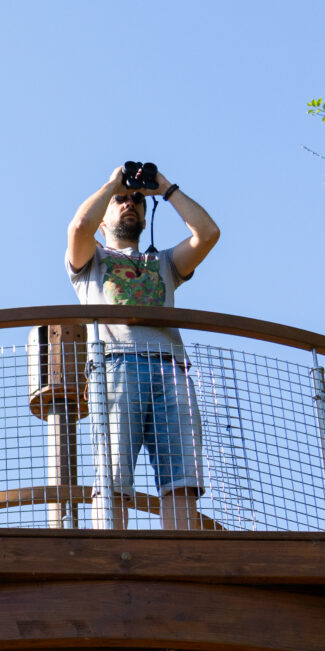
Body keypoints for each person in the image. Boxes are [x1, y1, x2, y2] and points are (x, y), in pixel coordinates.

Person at [65, 163, 223, 530]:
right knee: (113, 477)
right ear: (103, 219)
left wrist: (165, 188)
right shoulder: (92, 262)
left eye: (136, 200)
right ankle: (111, 560)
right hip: (115, 366)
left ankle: (183, 564)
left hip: (171, 369)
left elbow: (208, 233)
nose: (129, 203)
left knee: (182, 479)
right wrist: (111, 184)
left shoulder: (164, 263)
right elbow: (78, 227)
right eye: (120, 200)